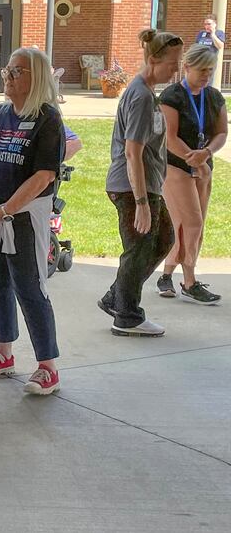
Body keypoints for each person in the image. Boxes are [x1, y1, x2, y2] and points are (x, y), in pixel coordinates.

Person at [0, 47, 65, 396]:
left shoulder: (47, 120)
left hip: (21, 216)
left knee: (29, 285)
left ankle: (47, 366)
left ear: (36, 78)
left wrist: (6, 209)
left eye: (17, 71)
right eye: (8, 69)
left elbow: (43, 176)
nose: (8, 76)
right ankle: (3, 353)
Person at [98, 29, 183, 337]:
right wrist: (142, 204)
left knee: (163, 239)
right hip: (133, 187)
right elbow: (132, 151)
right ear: (152, 60)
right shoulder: (141, 96)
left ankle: (116, 297)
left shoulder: (147, 92)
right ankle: (127, 316)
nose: (177, 69)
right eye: (172, 63)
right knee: (139, 247)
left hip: (146, 186)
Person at [158, 44, 228, 303]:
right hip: (176, 165)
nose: (206, 76)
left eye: (210, 71)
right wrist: (193, 157)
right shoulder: (172, 96)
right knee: (191, 222)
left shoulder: (214, 96)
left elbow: (221, 132)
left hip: (203, 168)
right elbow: (169, 136)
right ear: (186, 67)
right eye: (201, 70)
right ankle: (190, 281)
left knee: (192, 226)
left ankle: (166, 275)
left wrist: (206, 154)